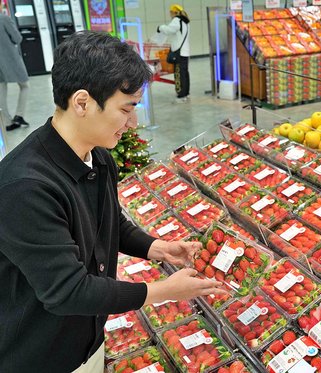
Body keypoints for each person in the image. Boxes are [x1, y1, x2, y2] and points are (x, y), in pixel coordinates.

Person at [0, 31, 225, 372]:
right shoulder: (26, 187)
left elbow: (109, 223)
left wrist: (158, 248)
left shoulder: (98, 159)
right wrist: (162, 290)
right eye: (126, 108)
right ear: (82, 103)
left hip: (89, 339)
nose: (133, 123)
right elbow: (68, 291)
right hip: (39, 355)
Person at [0, 1, 30, 131]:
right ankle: (19, 115)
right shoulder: (4, 19)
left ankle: (6, 122)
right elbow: (17, 38)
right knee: (25, 85)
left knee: (1, 90)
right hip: (9, 59)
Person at [157, 4, 191, 103]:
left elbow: (169, 30)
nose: (170, 14)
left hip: (179, 52)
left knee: (179, 74)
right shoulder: (186, 21)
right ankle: (186, 93)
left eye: (170, 12)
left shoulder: (177, 20)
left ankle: (181, 96)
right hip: (185, 51)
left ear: (174, 12)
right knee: (185, 74)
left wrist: (160, 27)